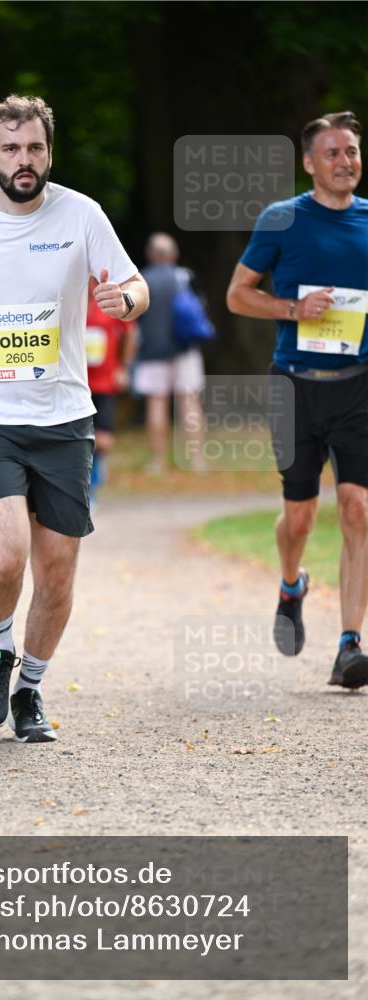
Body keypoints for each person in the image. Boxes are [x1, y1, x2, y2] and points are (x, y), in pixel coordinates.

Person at [0, 94, 149, 742]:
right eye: (13, 149)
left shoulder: (81, 214)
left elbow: (136, 286)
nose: (25, 161)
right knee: (5, 555)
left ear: (50, 152)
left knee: (56, 572)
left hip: (64, 418)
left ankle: (29, 690)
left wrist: (123, 300)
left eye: (36, 149)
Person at [226, 110, 368, 689]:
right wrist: (292, 309)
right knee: (300, 517)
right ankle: (291, 584)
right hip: (293, 385)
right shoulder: (282, 219)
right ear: (310, 164)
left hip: (358, 384)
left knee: (358, 509)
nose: (345, 161)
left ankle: (350, 645)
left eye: (353, 151)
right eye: (332, 152)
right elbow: (237, 295)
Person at [132, 233, 207, 474]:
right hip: (185, 349)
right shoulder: (184, 276)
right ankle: (196, 461)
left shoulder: (141, 281)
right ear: (173, 254)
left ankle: (158, 461)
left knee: (156, 404)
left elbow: (135, 322)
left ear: (150, 255)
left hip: (152, 351)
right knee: (190, 403)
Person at [85, 278, 138, 503]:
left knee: (104, 440)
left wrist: (124, 367)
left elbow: (131, 332)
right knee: (80, 439)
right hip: (76, 383)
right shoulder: (67, 301)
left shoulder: (107, 300)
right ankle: (87, 488)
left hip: (105, 381)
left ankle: (95, 475)